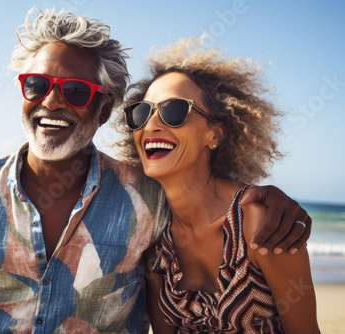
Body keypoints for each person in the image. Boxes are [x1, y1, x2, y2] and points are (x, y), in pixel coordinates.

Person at [0, 8, 312, 334]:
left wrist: (273, 201)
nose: (51, 101)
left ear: (103, 111)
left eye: (77, 91)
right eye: (36, 85)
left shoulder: (149, 201)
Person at [116, 37, 320, 333]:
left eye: (173, 111)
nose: (151, 125)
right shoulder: (155, 236)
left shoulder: (259, 223)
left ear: (215, 134)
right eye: (142, 112)